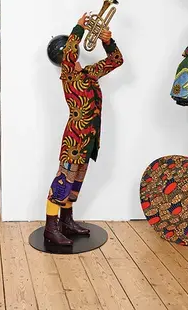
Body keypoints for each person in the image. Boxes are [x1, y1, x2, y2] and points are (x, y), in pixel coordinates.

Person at [45, 13, 123, 245]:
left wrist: (107, 40)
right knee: (63, 181)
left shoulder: (89, 73)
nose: (72, 55)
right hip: (74, 139)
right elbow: (69, 53)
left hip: (89, 139)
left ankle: (66, 222)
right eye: (67, 53)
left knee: (75, 181)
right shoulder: (68, 75)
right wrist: (78, 29)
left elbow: (116, 60)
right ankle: (51, 227)